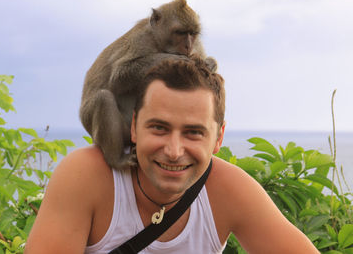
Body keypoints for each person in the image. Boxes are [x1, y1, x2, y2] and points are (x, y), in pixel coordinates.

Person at [25, 57, 319, 253]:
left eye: (193, 132)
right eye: (159, 128)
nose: (174, 151)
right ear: (134, 127)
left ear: (218, 138)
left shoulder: (229, 191)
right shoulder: (87, 176)